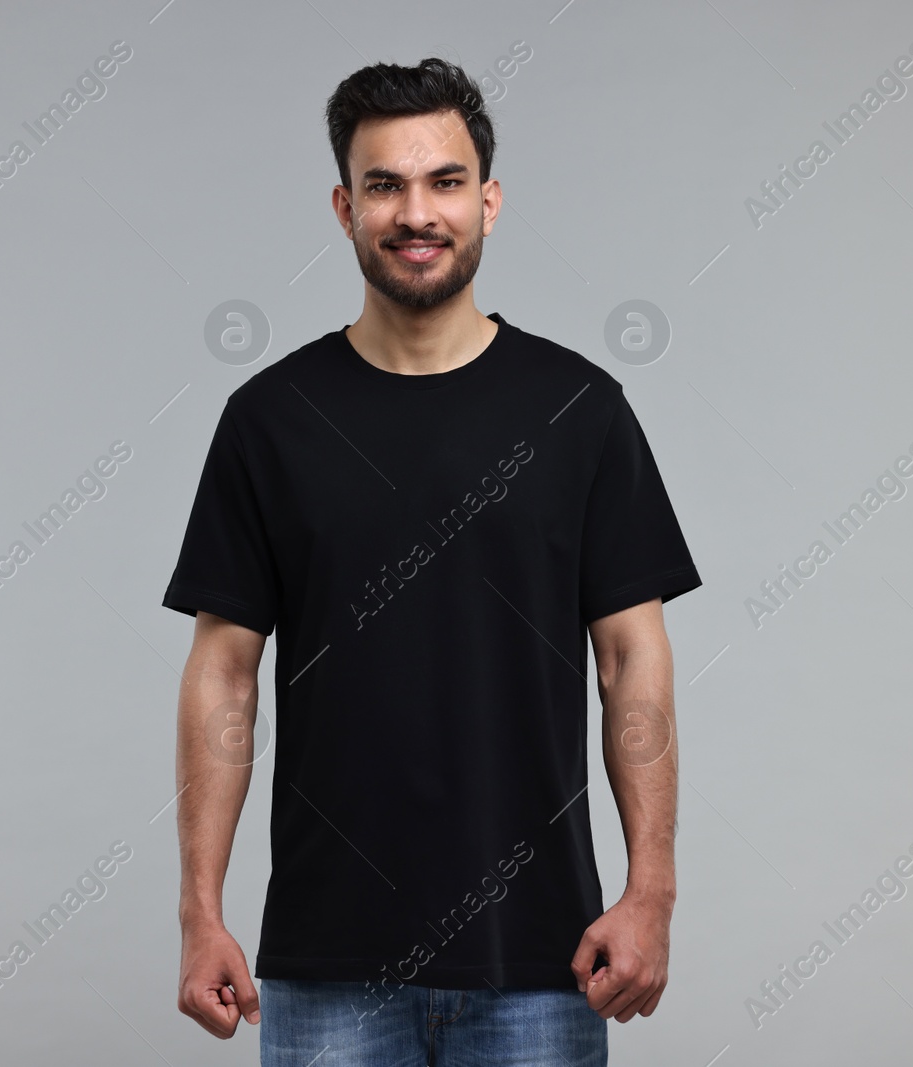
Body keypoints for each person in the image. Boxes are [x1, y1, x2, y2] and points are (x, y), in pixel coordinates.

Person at [165, 56, 702, 1067]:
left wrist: (650, 890)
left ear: (488, 201)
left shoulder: (578, 412)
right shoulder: (272, 422)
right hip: (328, 971)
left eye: (445, 181)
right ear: (344, 206)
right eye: (386, 185)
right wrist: (200, 909)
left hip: (542, 959)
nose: (418, 212)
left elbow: (634, 661)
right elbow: (223, 672)